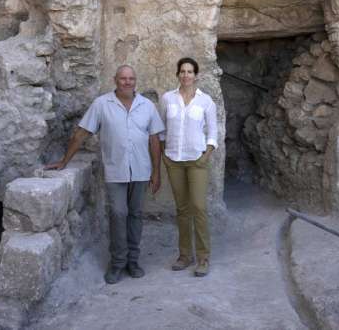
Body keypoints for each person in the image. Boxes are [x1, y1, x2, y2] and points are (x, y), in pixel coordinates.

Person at [45, 65, 164, 284]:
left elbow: (155, 139)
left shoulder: (147, 106)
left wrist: (157, 172)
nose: (127, 82)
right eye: (123, 78)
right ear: (115, 80)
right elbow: (82, 132)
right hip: (115, 169)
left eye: (131, 78)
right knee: (119, 214)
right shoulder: (102, 104)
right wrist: (64, 160)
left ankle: (133, 261)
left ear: (135, 80)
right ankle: (118, 262)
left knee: (136, 214)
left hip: (140, 169)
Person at [159, 57, 218, 277]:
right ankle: (185, 255)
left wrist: (206, 156)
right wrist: (165, 154)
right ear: (178, 74)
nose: (186, 75)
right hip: (174, 160)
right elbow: (162, 128)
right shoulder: (168, 99)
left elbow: (212, 133)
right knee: (182, 209)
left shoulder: (206, 101)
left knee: (199, 208)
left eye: (190, 72)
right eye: (182, 71)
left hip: (196, 161)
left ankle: (203, 257)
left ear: (196, 75)